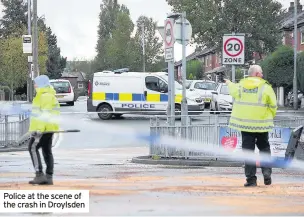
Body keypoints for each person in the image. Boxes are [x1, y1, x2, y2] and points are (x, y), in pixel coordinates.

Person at [224, 65, 277, 187]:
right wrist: (270, 116)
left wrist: (229, 83)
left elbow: (233, 89)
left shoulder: (241, 85)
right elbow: (273, 105)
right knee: (264, 148)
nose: (263, 75)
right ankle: (267, 172)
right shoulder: (265, 87)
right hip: (262, 125)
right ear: (257, 74)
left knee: (248, 152)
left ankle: (251, 180)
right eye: (261, 73)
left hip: (246, 126)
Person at [28, 75, 60, 185]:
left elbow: (44, 114)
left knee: (32, 148)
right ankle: (49, 177)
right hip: (48, 129)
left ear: (41, 84)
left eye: (36, 83)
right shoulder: (47, 95)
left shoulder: (44, 96)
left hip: (43, 129)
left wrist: (39, 129)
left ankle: (39, 174)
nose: (35, 85)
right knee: (47, 151)